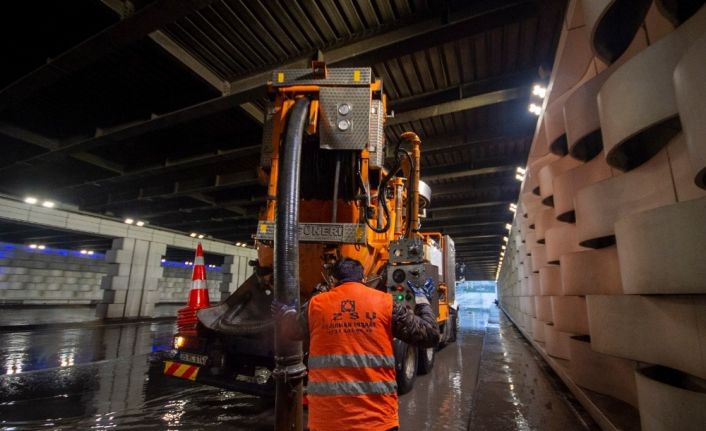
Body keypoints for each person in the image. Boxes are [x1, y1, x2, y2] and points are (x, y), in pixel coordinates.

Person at [272, 257, 440, 431]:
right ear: (364, 280)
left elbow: (290, 331)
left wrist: (285, 315)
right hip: (377, 421)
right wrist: (422, 300)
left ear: (332, 281)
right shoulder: (386, 304)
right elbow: (430, 335)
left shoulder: (316, 306)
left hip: (326, 423)